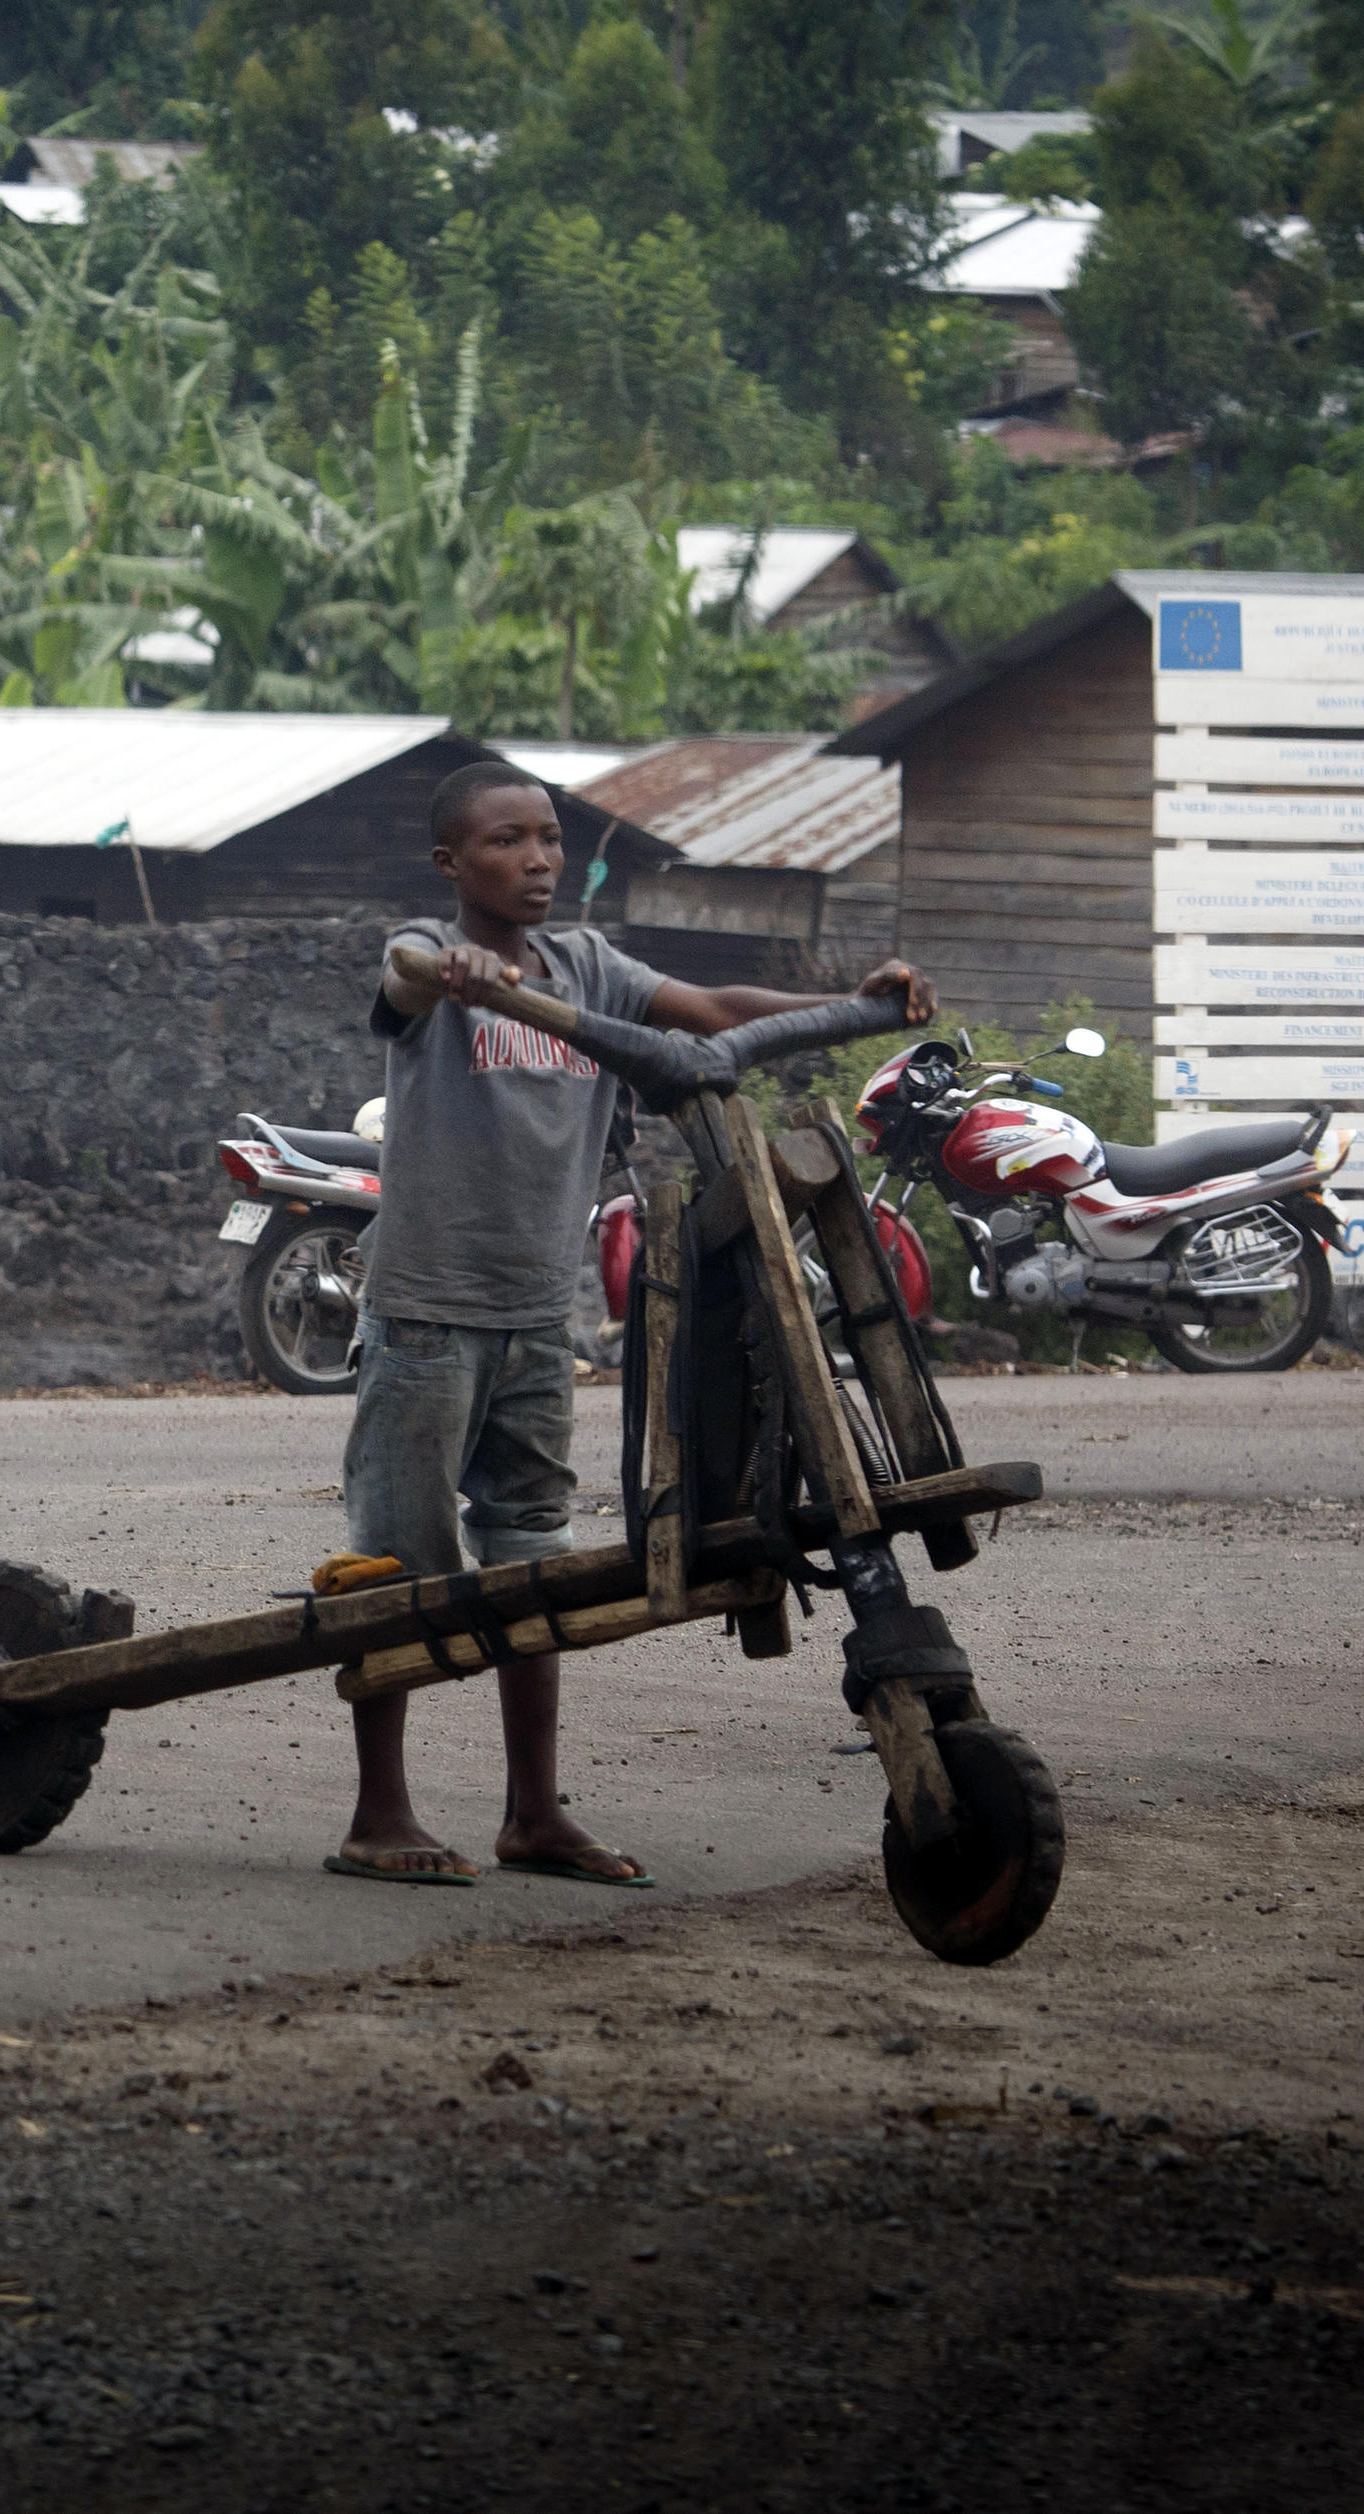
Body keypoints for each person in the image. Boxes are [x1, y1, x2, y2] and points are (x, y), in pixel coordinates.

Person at [326, 760, 931, 1888]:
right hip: (423, 1313)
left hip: (535, 1318)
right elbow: (403, 980)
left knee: (533, 1553)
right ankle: (378, 1812)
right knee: (398, 1564)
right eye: (507, 842)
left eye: (548, 838)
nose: (539, 859)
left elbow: (710, 1017)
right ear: (453, 864)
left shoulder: (589, 969)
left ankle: (531, 1813)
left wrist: (858, 1001)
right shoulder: (428, 950)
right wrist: (450, 970)